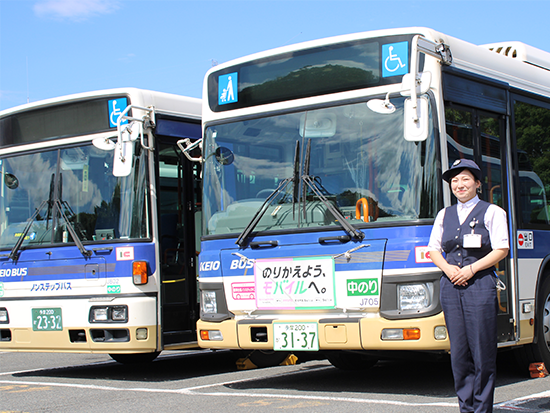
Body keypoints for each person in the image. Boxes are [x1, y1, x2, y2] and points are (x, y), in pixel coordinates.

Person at [428, 159, 509, 413]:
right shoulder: (444, 214)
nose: (459, 185)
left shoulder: (493, 212)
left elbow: (502, 249)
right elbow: (433, 249)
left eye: (465, 179)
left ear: (477, 183)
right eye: (454, 181)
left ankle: (482, 409)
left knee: (482, 350)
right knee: (459, 353)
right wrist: (448, 268)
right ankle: (466, 407)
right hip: (451, 285)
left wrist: (472, 269)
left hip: (480, 284)